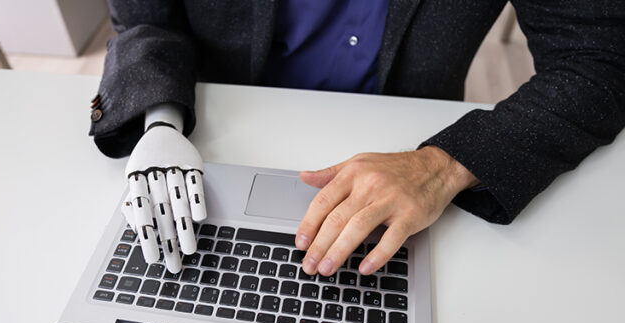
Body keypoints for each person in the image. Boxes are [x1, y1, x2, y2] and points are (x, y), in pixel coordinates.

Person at [88, 0, 625, 277]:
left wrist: (442, 166)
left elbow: (601, 59)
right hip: (214, 131)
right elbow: (145, 22)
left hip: (409, 144)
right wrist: (160, 117)